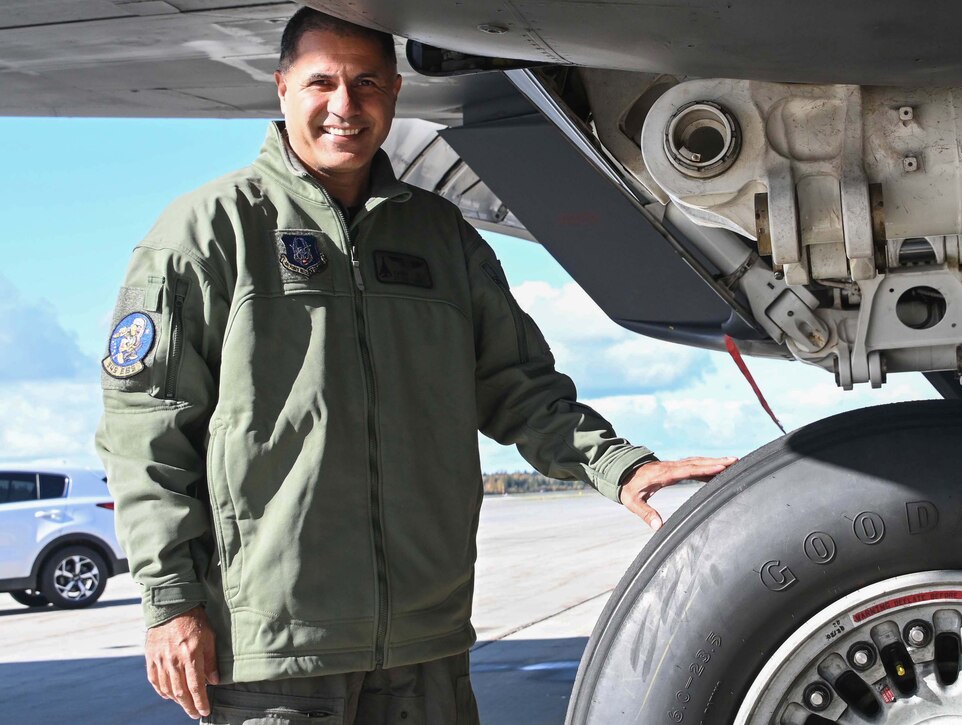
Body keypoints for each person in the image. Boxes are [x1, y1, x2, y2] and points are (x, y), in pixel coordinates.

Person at [95, 7, 736, 724]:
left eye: (366, 83)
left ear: (395, 93)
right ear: (281, 89)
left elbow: (517, 387)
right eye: (322, 83)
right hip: (276, 655)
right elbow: (146, 429)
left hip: (423, 650)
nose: (345, 106)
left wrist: (620, 464)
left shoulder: (440, 238)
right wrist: (170, 602)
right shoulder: (209, 232)